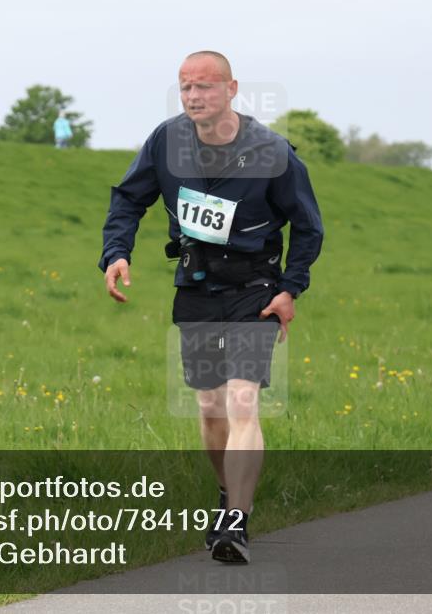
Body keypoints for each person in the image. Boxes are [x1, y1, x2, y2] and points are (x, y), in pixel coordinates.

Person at [99, 51, 323, 563]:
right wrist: (117, 252)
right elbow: (129, 198)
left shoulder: (271, 152)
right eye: (185, 88)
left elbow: (308, 226)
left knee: (243, 401)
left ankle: (236, 524)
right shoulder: (166, 141)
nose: (194, 96)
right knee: (209, 406)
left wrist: (290, 288)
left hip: (255, 289)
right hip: (196, 286)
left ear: (231, 89)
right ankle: (226, 496)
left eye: (204, 86)